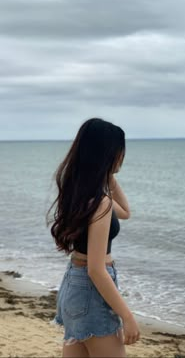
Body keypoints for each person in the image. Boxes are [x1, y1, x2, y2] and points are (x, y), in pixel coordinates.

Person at [46, 117, 140, 357]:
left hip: (73, 286)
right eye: (120, 150)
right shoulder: (100, 204)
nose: (123, 156)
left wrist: (108, 176)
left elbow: (126, 212)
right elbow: (96, 270)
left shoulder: (80, 194)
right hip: (90, 291)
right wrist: (127, 317)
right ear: (108, 152)